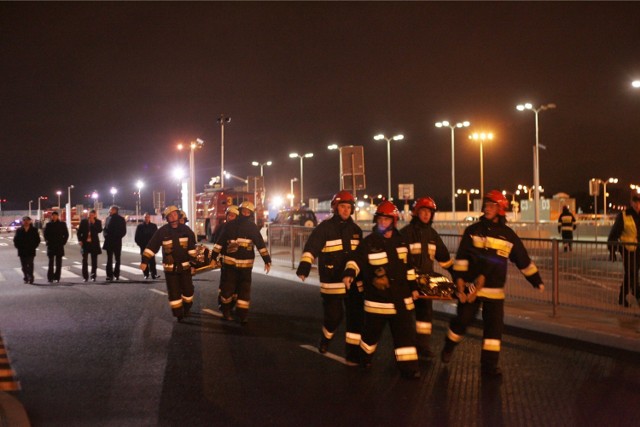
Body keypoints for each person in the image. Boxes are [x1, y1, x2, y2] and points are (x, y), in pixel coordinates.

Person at [441, 190, 544, 377]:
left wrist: (536, 280)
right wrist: (459, 281)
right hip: (471, 289)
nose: (487, 208)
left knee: (493, 332)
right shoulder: (472, 231)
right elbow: (462, 258)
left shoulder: (508, 235)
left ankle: (489, 366)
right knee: (462, 322)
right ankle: (449, 346)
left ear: (500, 209)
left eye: (491, 205)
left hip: (495, 292)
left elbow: (522, 259)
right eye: (486, 205)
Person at [342, 201, 421, 379]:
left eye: (386, 219)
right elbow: (356, 261)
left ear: (393, 221)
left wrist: (414, 288)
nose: (383, 222)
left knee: (405, 338)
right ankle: (364, 359)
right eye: (380, 219)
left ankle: (409, 369)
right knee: (370, 337)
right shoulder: (369, 242)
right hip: (377, 302)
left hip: (401, 301)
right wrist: (349, 273)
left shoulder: (401, 242)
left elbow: (409, 268)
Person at [296, 191, 363, 364]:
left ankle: (353, 352)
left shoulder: (356, 230)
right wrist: (304, 266)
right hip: (332, 280)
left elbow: (360, 256)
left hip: (352, 281)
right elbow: (311, 248)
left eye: (349, 207)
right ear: (335, 207)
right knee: (334, 317)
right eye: (342, 206)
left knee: (355, 318)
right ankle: (325, 340)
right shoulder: (324, 228)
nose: (346, 210)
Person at [400, 197, 453, 358]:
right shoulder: (406, 233)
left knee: (425, 317)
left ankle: (422, 346)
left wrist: (458, 276)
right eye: (422, 211)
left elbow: (444, 259)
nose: (426, 215)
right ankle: (406, 345)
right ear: (416, 213)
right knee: (405, 316)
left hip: (425, 285)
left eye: (429, 212)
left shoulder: (432, 235)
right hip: (407, 283)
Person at [212, 201, 271, 324]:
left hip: (246, 266)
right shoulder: (229, 226)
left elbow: (260, 244)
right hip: (230, 264)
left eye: (247, 212)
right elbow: (220, 242)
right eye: (243, 211)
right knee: (228, 289)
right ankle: (226, 311)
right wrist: (213, 257)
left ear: (251, 214)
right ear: (240, 212)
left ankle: (242, 315)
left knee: (244, 292)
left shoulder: (253, 227)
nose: (245, 213)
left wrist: (267, 260)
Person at [140, 206, 197, 321]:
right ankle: (178, 314)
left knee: (188, 291)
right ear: (167, 218)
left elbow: (192, 249)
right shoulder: (162, 231)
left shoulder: (187, 231)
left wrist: (194, 265)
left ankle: (186, 307)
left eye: (175, 214)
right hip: (170, 269)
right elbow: (152, 246)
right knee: (174, 293)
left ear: (179, 215)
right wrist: (145, 261)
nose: (173, 217)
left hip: (185, 267)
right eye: (170, 216)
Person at [607, 192, 640, 307]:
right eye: (635, 202)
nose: (637, 205)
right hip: (627, 249)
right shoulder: (624, 215)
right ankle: (637, 294)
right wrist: (612, 250)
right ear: (631, 202)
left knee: (631, 275)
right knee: (632, 273)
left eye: (639, 202)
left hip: (639, 250)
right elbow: (614, 234)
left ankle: (622, 297)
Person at [77, 210, 103, 282]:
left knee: (94, 260)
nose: (91, 216)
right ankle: (85, 277)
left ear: (95, 215)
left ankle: (93, 276)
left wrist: (93, 223)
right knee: (84, 260)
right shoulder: (84, 221)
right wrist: (80, 240)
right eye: (90, 214)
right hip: (85, 243)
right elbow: (79, 232)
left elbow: (100, 230)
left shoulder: (98, 222)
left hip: (94, 243)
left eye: (92, 215)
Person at [43, 211, 69, 283]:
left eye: (55, 215)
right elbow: (45, 234)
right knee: (50, 263)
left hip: (59, 245)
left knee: (58, 263)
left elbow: (66, 234)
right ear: (51, 216)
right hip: (51, 245)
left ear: (58, 216)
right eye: (53, 215)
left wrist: (63, 242)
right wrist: (47, 241)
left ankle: (57, 277)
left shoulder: (62, 224)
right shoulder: (48, 225)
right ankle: (50, 277)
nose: (54, 217)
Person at [13, 216, 41, 284]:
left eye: (27, 220)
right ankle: (26, 276)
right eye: (24, 220)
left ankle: (31, 277)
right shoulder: (19, 230)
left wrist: (34, 246)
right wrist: (18, 247)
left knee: (30, 264)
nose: (26, 222)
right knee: (24, 266)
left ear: (30, 221)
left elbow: (37, 239)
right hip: (22, 250)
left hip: (31, 250)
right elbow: (15, 240)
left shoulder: (34, 230)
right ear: (23, 221)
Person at [103, 205, 127, 281]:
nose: (110, 211)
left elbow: (123, 231)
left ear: (115, 210)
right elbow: (105, 229)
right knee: (109, 259)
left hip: (116, 241)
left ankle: (116, 274)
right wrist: (105, 236)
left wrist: (117, 237)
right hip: (109, 241)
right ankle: (109, 275)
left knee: (117, 259)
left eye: (111, 210)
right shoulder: (107, 219)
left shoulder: (121, 219)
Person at [135, 212, 159, 279]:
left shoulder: (153, 226)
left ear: (149, 218)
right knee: (144, 261)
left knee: (152, 261)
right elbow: (136, 237)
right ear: (143, 218)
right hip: (143, 246)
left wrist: (155, 244)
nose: (146, 218)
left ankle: (154, 274)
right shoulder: (140, 226)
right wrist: (140, 245)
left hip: (151, 246)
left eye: (147, 217)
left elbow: (156, 236)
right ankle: (146, 274)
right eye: (145, 217)